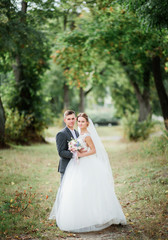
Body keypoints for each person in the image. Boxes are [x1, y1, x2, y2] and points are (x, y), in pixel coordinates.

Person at [49, 113, 126, 232]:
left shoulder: (85, 135)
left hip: (85, 164)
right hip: (74, 165)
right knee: (72, 190)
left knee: (88, 190)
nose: (79, 123)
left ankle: (93, 217)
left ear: (87, 123)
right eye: (78, 121)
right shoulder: (70, 134)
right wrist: (75, 152)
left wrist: (80, 154)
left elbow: (93, 150)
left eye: (81, 121)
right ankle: (70, 216)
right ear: (65, 120)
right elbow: (61, 152)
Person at [56, 110, 79, 182]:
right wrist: (75, 155)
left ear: (75, 119)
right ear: (65, 120)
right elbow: (61, 152)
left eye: (72, 118)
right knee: (65, 191)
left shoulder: (77, 133)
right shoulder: (61, 134)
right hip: (66, 166)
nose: (71, 121)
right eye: (68, 119)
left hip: (77, 166)